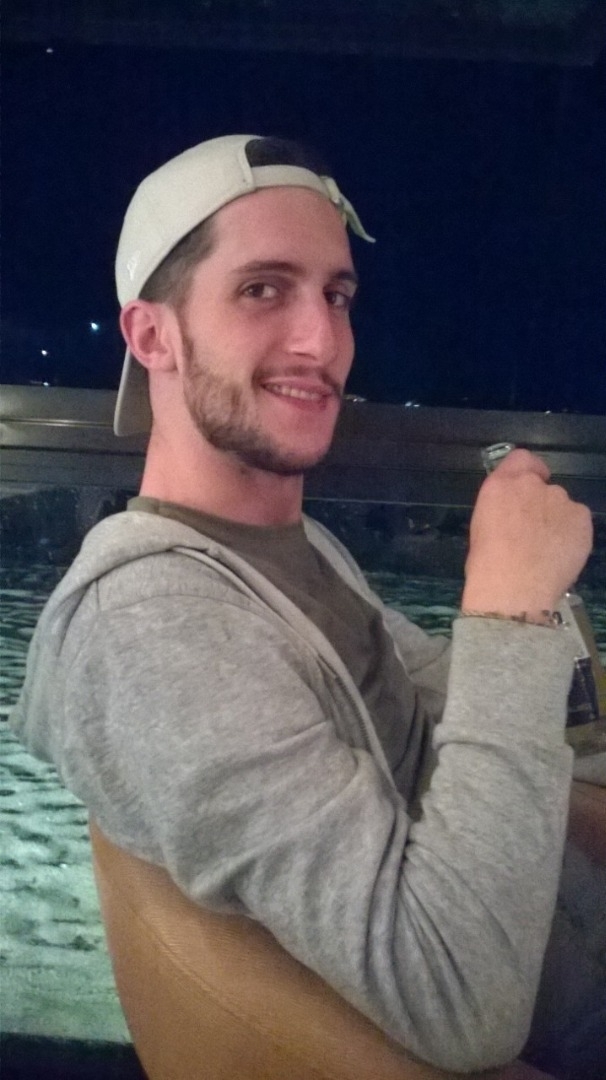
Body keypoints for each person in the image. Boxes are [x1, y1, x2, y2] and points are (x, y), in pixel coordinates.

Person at [11, 134, 605, 1074]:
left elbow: (430, 696)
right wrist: (511, 611)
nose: (323, 343)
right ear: (152, 336)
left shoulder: (294, 548)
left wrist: (518, 633)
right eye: (263, 289)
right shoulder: (152, 628)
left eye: (336, 295)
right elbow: (460, 995)